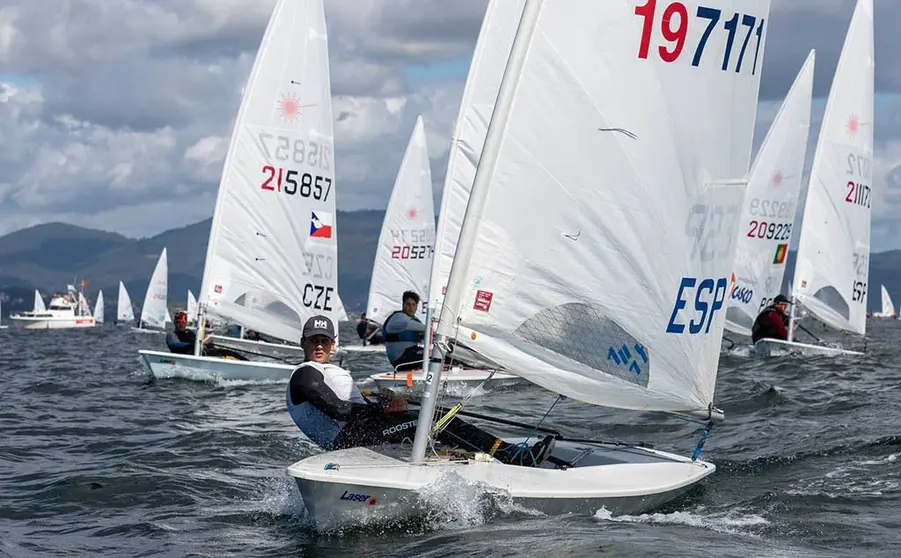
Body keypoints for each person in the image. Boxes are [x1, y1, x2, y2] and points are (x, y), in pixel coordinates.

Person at [286, 314, 555, 466]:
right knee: (434, 419)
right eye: (313, 341)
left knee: (435, 414)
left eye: (324, 341)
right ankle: (510, 455)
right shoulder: (304, 374)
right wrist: (384, 409)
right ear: (303, 343)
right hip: (350, 438)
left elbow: (348, 407)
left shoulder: (324, 370)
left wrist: (382, 403)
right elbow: (339, 409)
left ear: (333, 345)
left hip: (360, 430)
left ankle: (467, 454)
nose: (319, 346)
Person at [166, 311, 248, 360]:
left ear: (186, 323)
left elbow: (199, 343)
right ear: (174, 322)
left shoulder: (189, 332)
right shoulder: (172, 334)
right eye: (178, 322)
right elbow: (175, 344)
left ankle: (248, 363)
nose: (180, 325)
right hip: (187, 358)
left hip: (202, 355)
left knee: (227, 352)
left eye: (183, 322)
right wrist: (195, 345)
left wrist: (207, 343)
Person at [383, 291, 427, 371]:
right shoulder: (398, 317)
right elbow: (408, 324)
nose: (411, 307)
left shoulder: (415, 320)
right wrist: (433, 329)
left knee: (440, 354)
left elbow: (426, 335)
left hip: (409, 356)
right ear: (403, 305)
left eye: (414, 304)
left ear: (417, 306)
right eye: (408, 304)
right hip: (401, 359)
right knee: (433, 356)